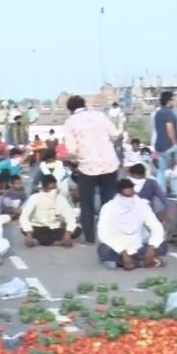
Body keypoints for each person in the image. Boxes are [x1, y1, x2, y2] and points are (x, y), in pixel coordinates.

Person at [62, 94, 121, 246]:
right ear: (84, 104)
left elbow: (71, 150)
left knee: (86, 203)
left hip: (87, 166)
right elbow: (115, 134)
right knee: (108, 202)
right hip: (109, 163)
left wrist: (74, 160)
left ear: (70, 109)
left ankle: (90, 237)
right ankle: (109, 234)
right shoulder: (99, 115)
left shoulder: (70, 122)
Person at [96, 178, 167, 269]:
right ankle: (142, 262)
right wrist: (123, 252)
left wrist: (151, 247)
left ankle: (123, 263)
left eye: (131, 195)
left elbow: (156, 226)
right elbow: (103, 234)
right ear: (118, 195)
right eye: (126, 197)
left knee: (162, 246)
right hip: (116, 247)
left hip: (138, 246)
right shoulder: (108, 207)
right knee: (104, 250)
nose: (129, 199)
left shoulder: (141, 205)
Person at [19, 175, 79, 247]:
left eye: (55, 188)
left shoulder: (61, 199)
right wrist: (28, 233)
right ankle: (57, 242)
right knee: (23, 228)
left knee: (77, 229)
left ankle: (40, 242)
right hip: (39, 228)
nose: (54, 191)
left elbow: (70, 218)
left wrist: (68, 233)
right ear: (44, 188)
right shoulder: (35, 198)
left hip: (55, 228)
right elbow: (24, 216)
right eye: (51, 188)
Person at [152, 92, 177, 190]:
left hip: (159, 145)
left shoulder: (158, 113)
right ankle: (176, 190)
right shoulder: (168, 113)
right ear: (169, 101)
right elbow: (169, 129)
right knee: (176, 169)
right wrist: (175, 144)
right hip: (168, 145)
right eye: (173, 99)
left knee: (161, 171)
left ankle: (161, 192)